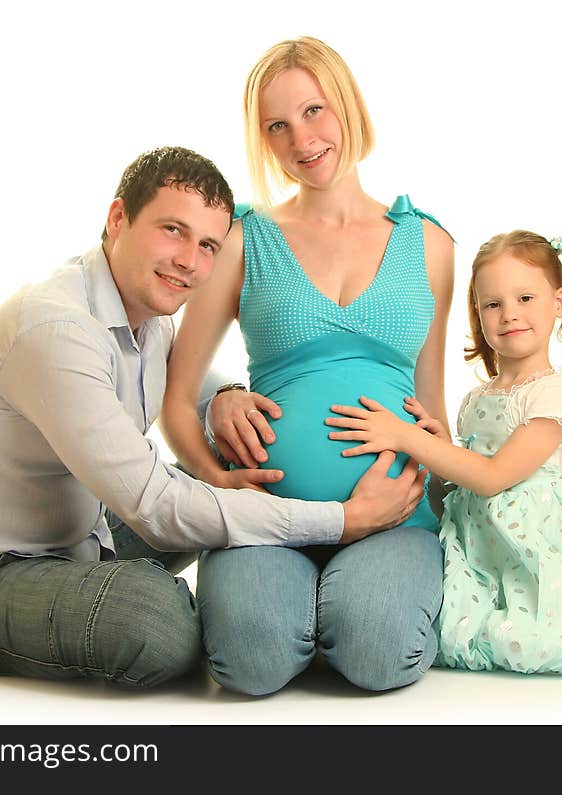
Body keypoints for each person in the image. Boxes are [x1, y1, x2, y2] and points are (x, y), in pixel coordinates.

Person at [0, 146, 427, 690]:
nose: (189, 261)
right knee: (161, 625)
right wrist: (342, 519)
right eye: (172, 230)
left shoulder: (150, 319)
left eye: (207, 246)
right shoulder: (55, 330)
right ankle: (171, 604)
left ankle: (138, 594)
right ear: (117, 219)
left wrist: (225, 395)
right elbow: (156, 506)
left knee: (210, 465)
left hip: (82, 534)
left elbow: (192, 387)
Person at [161, 38, 455, 694]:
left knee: (380, 651)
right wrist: (215, 476)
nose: (303, 138)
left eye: (315, 109)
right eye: (278, 125)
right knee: (250, 661)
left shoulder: (430, 244)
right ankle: (307, 613)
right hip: (268, 512)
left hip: (395, 514)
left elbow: (432, 408)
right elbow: (175, 396)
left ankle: (347, 608)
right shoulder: (242, 239)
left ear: (346, 104)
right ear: (263, 139)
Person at [326, 231, 562, 674]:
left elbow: (492, 477)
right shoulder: (477, 399)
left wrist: (409, 439)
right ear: (478, 314)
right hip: (483, 544)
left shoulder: (553, 399)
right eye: (493, 304)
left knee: (535, 631)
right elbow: (464, 484)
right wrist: (437, 454)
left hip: (532, 543)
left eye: (525, 298)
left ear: (558, 302)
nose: (510, 315)